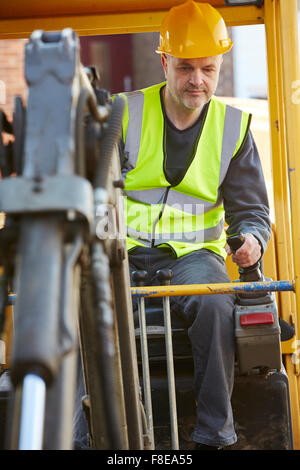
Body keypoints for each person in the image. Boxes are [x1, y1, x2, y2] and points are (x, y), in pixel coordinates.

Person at [118, 0, 271, 450]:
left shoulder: (233, 128)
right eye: (185, 67)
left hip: (193, 259)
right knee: (86, 309)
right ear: (164, 60)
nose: (197, 80)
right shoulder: (119, 115)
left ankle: (213, 436)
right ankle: (94, 435)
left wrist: (253, 240)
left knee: (215, 304)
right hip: (119, 253)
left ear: (220, 64)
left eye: (208, 68)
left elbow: (251, 211)